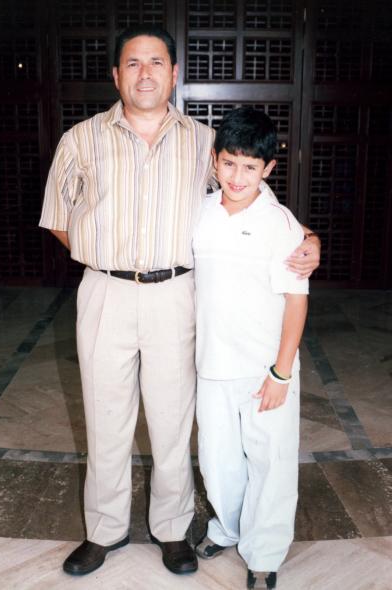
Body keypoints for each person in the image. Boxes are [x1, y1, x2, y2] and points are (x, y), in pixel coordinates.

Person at [39, 25, 319, 578]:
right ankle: (105, 530)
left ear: (173, 72)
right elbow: (57, 217)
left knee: (172, 422)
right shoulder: (80, 139)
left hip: (175, 295)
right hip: (104, 293)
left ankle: (171, 530)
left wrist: (310, 239)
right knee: (106, 418)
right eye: (133, 63)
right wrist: (105, 255)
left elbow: (253, 197)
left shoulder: (203, 141)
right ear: (117, 76)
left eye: (157, 62)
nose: (146, 72)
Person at [193, 107, 309, 589]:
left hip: (266, 370)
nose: (237, 177)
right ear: (215, 161)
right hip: (211, 365)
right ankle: (228, 527)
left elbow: (296, 301)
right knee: (217, 463)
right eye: (228, 163)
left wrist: (282, 373)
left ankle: (264, 553)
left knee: (271, 462)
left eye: (249, 166)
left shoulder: (279, 223)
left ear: (268, 169)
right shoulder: (198, 212)